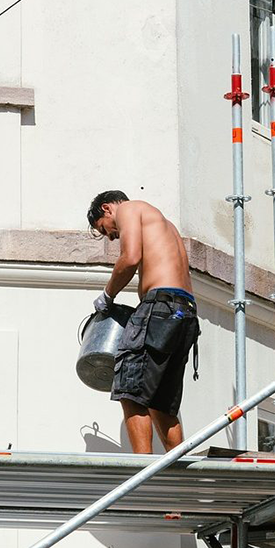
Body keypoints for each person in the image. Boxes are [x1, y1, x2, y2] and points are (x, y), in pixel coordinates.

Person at [86, 190, 200, 454]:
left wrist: (107, 295)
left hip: (160, 308)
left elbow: (130, 258)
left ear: (107, 209)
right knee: (161, 405)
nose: (112, 236)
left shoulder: (129, 209)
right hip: (185, 314)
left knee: (129, 388)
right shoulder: (164, 225)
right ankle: (176, 471)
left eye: (104, 230)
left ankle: (141, 468)